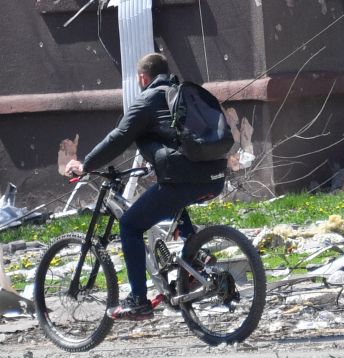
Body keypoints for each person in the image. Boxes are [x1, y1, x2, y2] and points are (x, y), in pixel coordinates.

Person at [66, 51, 227, 322]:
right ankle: (196, 256)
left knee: (130, 224)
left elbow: (119, 137)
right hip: (215, 176)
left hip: (182, 179)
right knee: (171, 203)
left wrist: (87, 164)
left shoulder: (149, 99)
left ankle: (138, 300)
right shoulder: (181, 94)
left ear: (143, 77)